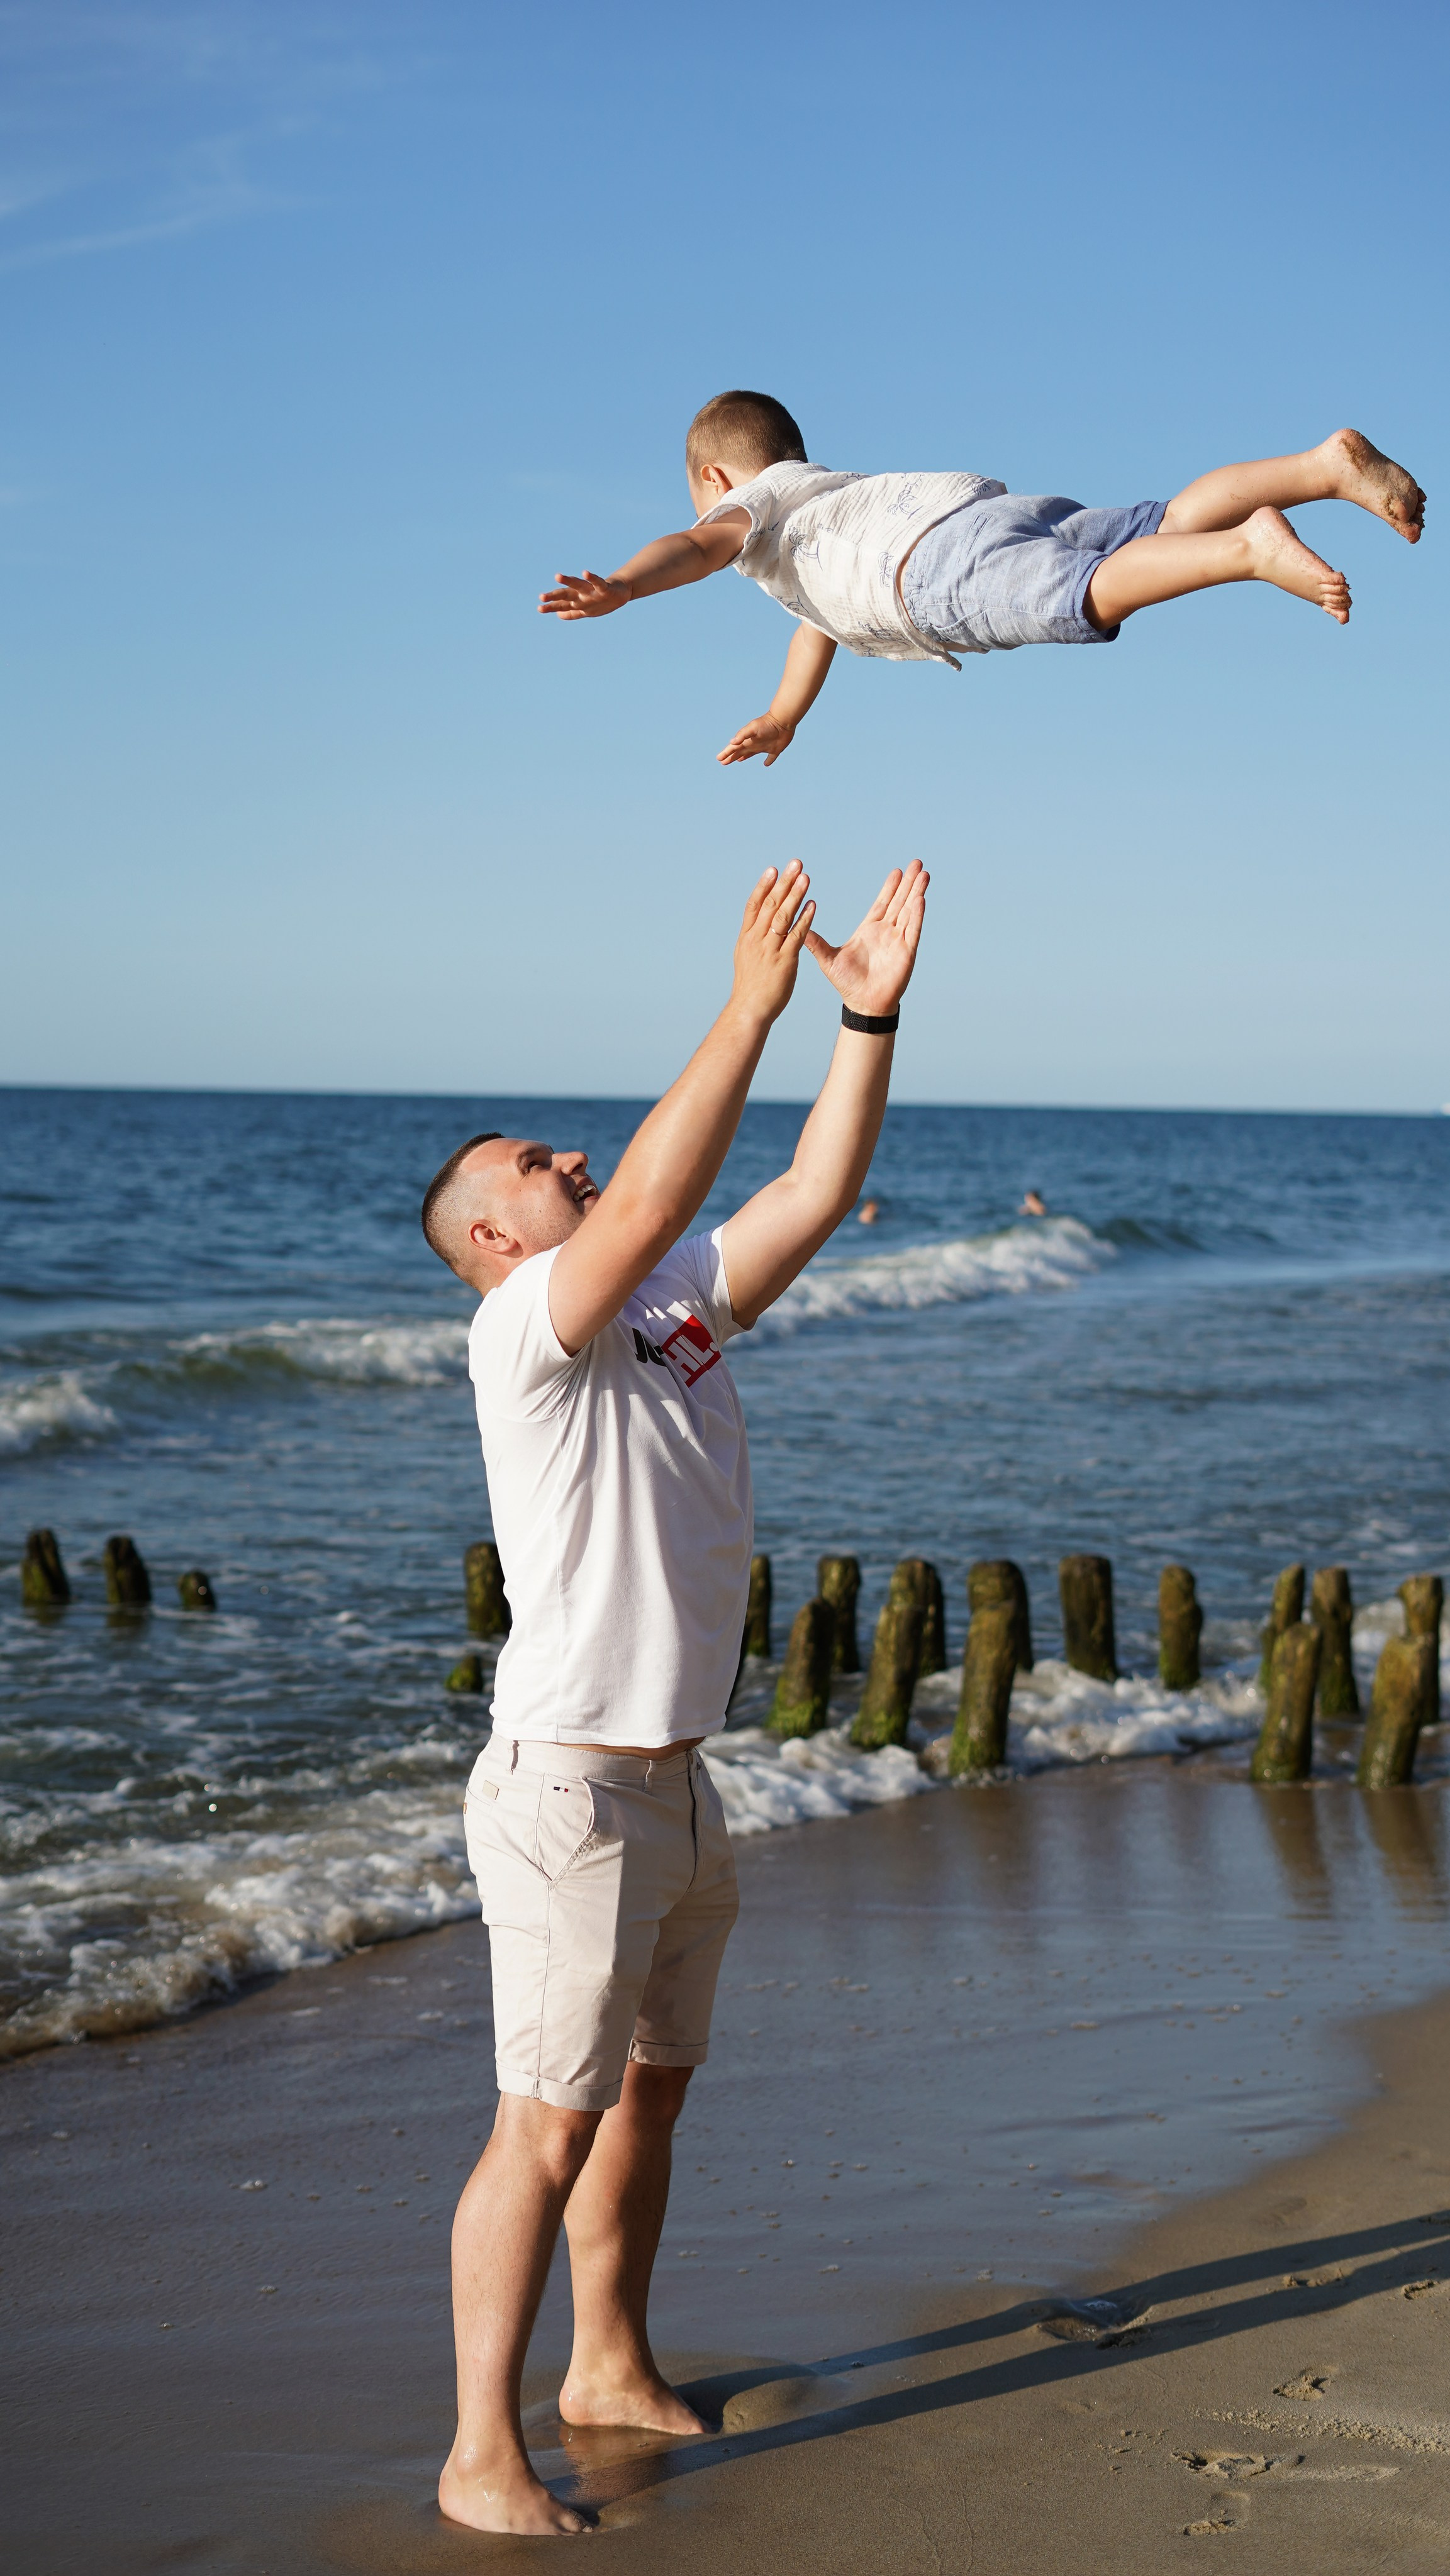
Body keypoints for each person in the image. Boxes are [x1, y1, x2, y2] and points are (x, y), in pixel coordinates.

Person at [419, 855, 928, 2536]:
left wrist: (863, 1011)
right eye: (528, 1165)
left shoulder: (665, 1306)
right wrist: (744, 1006)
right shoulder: (523, 1333)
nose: (562, 1159)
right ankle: (481, 2451)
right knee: (541, 2129)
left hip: (681, 1783)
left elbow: (803, 1187)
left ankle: (607, 2368)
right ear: (495, 1238)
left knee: (646, 2097)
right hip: (571, 1788)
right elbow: (641, 1197)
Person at [538, 391, 1424, 769]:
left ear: (714, 481)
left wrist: (622, 585)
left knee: (1088, 592)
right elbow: (821, 625)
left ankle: (1249, 549)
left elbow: (694, 549)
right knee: (1157, 522)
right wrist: (784, 714)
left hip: (931, 575)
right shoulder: (819, 512)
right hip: (970, 512)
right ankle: (1319, 466)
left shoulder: (747, 511)